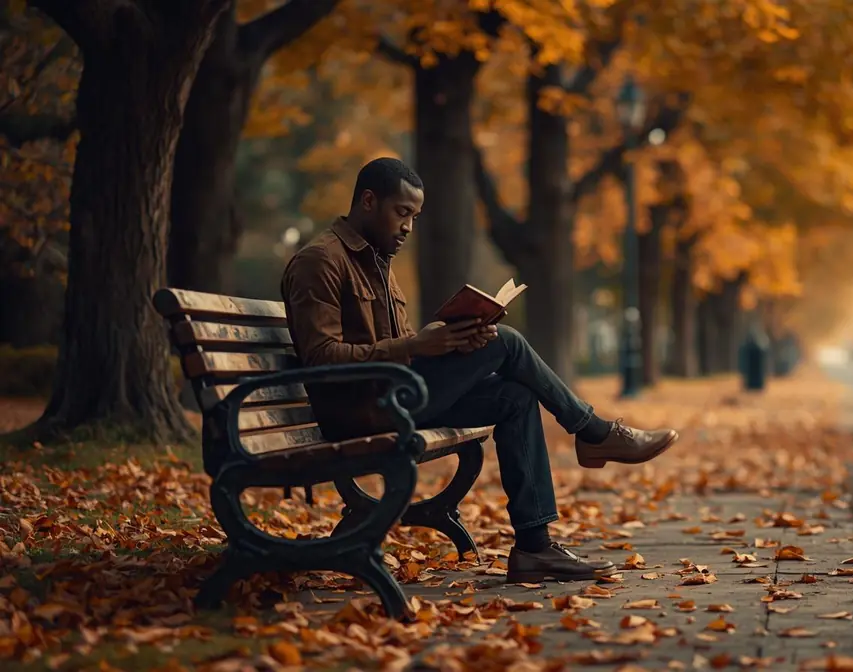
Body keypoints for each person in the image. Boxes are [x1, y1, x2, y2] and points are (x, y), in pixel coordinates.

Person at [281, 157, 679, 584]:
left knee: (515, 396)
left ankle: (534, 547)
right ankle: (593, 432)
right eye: (402, 213)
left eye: (415, 217)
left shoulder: (377, 263)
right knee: (508, 341)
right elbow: (320, 357)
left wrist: (449, 341)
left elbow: (399, 350)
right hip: (361, 411)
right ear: (367, 201)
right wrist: (415, 345)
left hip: (395, 396)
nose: (408, 228)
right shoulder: (320, 261)